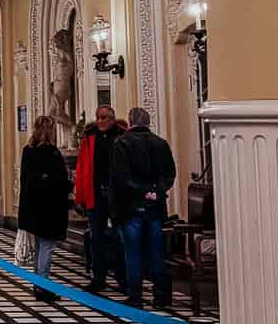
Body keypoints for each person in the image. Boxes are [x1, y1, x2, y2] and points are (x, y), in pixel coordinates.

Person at [110, 106, 177, 309]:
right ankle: (159, 297)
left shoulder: (121, 143)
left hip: (131, 207)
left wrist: (141, 192)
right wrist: (155, 191)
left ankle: (136, 295)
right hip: (155, 207)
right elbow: (170, 174)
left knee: (133, 252)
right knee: (157, 251)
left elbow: (121, 178)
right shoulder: (161, 143)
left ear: (130, 123)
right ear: (148, 123)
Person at [74, 105, 128, 295]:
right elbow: (82, 168)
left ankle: (123, 279)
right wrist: (79, 195)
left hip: (117, 195)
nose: (100, 121)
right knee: (96, 238)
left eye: (104, 117)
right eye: (98, 117)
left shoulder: (122, 136)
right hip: (95, 194)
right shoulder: (89, 138)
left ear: (112, 118)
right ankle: (99, 278)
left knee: (119, 238)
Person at [18, 116, 70, 300]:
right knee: (46, 246)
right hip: (49, 207)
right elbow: (60, 181)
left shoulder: (28, 150)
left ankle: (37, 282)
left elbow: (25, 180)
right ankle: (43, 285)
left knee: (40, 246)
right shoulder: (51, 152)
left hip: (32, 206)